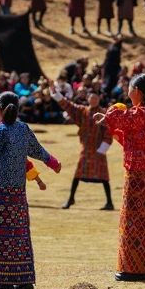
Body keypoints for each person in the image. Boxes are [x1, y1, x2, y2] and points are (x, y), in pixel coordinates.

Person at [0, 92, 61, 289]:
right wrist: (52, 162)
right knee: (19, 234)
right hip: (18, 190)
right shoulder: (23, 129)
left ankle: (3, 281)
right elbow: (37, 150)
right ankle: (23, 278)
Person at [98, 74, 145, 281]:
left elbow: (119, 118)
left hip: (138, 174)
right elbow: (127, 131)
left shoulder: (139, 113)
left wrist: (110, 112)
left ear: (136, 91)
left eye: (129, 88)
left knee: (132, 220)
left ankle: (132, 268)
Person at [51, 83, 113, 211]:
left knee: (103, 176)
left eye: (96, 98)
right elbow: (68, 105)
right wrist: (55, 92)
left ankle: (109, 202)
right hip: (86, 148)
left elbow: (108, 132)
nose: (93, 100)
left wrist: (103, 148)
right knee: (78, 174)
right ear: (88, 99)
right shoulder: (83, 111)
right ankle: (71, 198)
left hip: (99, 149)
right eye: (91, 98)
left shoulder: (103, 113)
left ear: (99, 99)